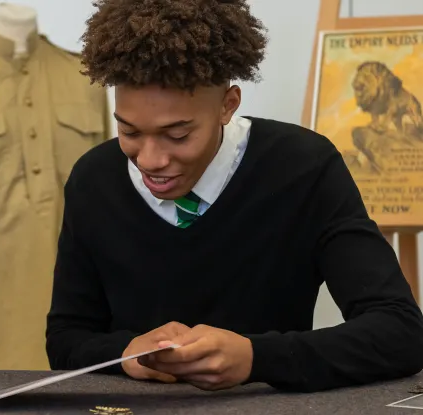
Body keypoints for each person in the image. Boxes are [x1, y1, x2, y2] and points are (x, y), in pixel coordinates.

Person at [45, 0, 423, 393]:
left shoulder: (303, 169)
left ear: (228, 105)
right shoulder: (94, 180)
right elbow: (66, 338)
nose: (151, 160)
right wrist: (126, 352)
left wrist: (256, 358)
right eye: (130, 132)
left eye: (178, 135)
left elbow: (399, 332)